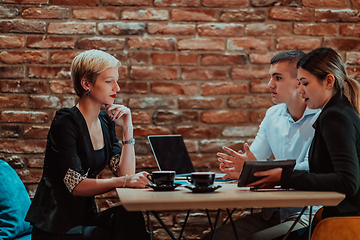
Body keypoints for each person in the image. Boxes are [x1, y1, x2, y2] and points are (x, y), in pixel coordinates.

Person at [25, 50, 151, 240]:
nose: (117, 87)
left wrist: (127, 129)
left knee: (129, 216)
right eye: (109, 81)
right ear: (86, 84)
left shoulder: (105, 121)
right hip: (56, 226)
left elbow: (125, 174)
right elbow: (76, 185)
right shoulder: (65, 121)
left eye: (116, 80)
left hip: (85, 218)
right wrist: (124, 181)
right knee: (102, 235)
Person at [202, 50, 321, 240]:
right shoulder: (272, 115)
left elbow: (314, 168)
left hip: (308, 213)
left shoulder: (322, 117)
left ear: (299, 81)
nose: (270, 85)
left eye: (278, 78)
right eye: (270, 77)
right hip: (274, 213)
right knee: (214, 237)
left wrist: (262, 170)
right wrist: (242, 168)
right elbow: (255, 159)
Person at [249, 47, 360, 225]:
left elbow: (348, 181)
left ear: (328, 81)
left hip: (339, 224)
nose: (300, 90)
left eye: (305, 83)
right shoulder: (337, 111)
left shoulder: (334, 117)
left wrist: (283, 177)